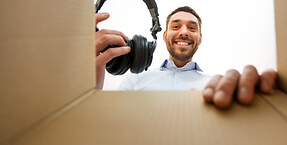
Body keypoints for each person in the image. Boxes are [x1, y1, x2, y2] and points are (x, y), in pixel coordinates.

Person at [95, 6, 277, 109]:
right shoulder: (134, 79)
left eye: (192, 28)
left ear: (200, 38)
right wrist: (89, 88)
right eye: (176, 27)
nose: (184, 32)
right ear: (164, 36)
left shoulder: (217, 85)